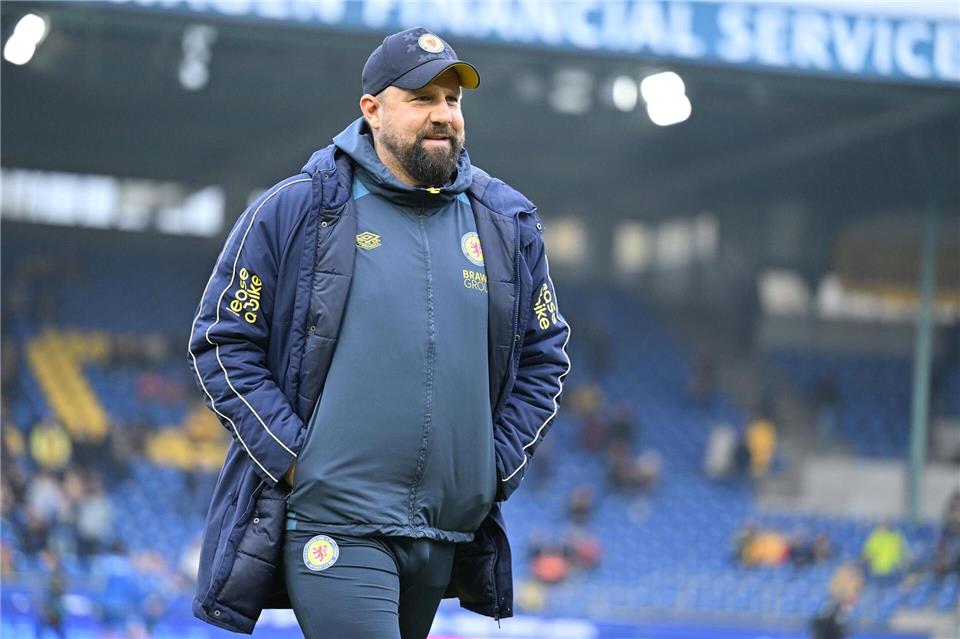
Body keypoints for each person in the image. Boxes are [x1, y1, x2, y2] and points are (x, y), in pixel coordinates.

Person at [187, 27, 570, 639]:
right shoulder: (296, 209)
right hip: (335, 520)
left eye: (453, 100)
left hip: (443, 531)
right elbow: (223, 340)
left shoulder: (508, 223)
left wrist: (490, 470)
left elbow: (544, 358)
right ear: (372, 109)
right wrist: (296, 461)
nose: (443, 115)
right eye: (422, 99)